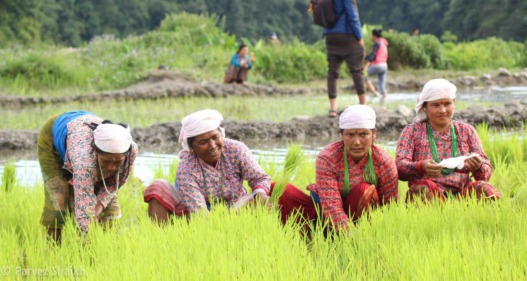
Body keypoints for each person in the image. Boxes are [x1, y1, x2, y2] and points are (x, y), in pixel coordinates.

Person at [277, 105, 398, 232]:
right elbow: (331, 204)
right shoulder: (328, 157)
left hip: (366, 219)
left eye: (363, 134)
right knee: (281, 190)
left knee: (363, 190)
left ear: (374, 134)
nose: (357, 142)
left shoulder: (384, 162)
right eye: (350, 135)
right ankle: (317, 234)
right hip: (328, 212)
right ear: (342, 135)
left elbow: (390, 207)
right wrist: (349, 233)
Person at [144, 109, 272, 222]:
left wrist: (259, 194)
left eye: (215, 137)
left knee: (260, 199)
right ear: (192, 147)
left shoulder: (236, 149)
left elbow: (259, 178)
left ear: (221, 135)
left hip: (238, 205)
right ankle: (167, 237)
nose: (212, 146)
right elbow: (199, 213)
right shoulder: (186, 168)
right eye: (203, 142)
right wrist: (218, 219)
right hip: (199, 212)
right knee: (158, 188)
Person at [38, 111, 138, 243]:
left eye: (117, 162)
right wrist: (86, 242)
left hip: (81, 129)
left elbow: (114, 184)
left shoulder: (131, 150)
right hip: (54, 135)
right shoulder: (84, 161)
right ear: (95, 152)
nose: (112, 168)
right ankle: (53, 249)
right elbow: (84, 210)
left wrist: (100, 205)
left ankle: (107, 246)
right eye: (106, 162)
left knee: (110, 210)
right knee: (59, 197)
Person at [396, 79, 501, 202]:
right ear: (425, 107)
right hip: (430, 194)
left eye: (447, 104)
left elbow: (485, 174)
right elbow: (399, 168)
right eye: (435, 105)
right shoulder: (412, 131)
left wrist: (478, 166)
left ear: (454, 104)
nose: (442, 110)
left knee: (485, 190)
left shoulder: (466, 131)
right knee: (423, 189)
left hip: (463, 193)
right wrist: (420, 166)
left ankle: (481, 221)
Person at [324, 0, 366, 117]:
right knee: (357, 70)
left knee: (332, 72)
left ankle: (333, 108)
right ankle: (362, 105)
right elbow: (352, 16)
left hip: (330, 36)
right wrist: (360, 37)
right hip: (347, 35)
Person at [365, 29, 389, 98]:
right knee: (382, 83)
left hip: (377, 65)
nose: (371, 37)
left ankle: (374, 92)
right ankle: (384, 95)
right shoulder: (384, 42)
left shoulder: (377, 43)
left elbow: (373, 55)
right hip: (384, 65)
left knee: (363, 74)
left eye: (371, 35)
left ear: (374, 36)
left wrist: (366, 65)